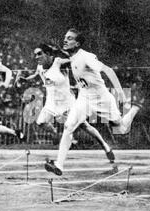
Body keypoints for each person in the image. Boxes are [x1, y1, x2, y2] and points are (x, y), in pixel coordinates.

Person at [44, 28, 142, 176]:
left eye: (70, 38)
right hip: (84, 98)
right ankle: (59, 165)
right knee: (69, 126)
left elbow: (109, 70)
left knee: (121, 128)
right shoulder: (72, 56)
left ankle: (134, 109)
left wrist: (120, 93)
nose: (65, 40)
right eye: (65, 37)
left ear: (77, 43)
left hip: (102, 98)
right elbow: (67, 56)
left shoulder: (87, 57)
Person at [18, 43, 115, 162]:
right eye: (35, 55)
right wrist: (25, 79)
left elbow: (73, 61)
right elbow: (36, 74)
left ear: (48, 54)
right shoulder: (40, 67)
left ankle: (106, 147)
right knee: (40, 122)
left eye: (39, 54)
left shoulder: (58, 62)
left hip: (67, 102)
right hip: (51, 103)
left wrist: (64, 53)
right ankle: (64, 139)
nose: (36, 57)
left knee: (84, 126)